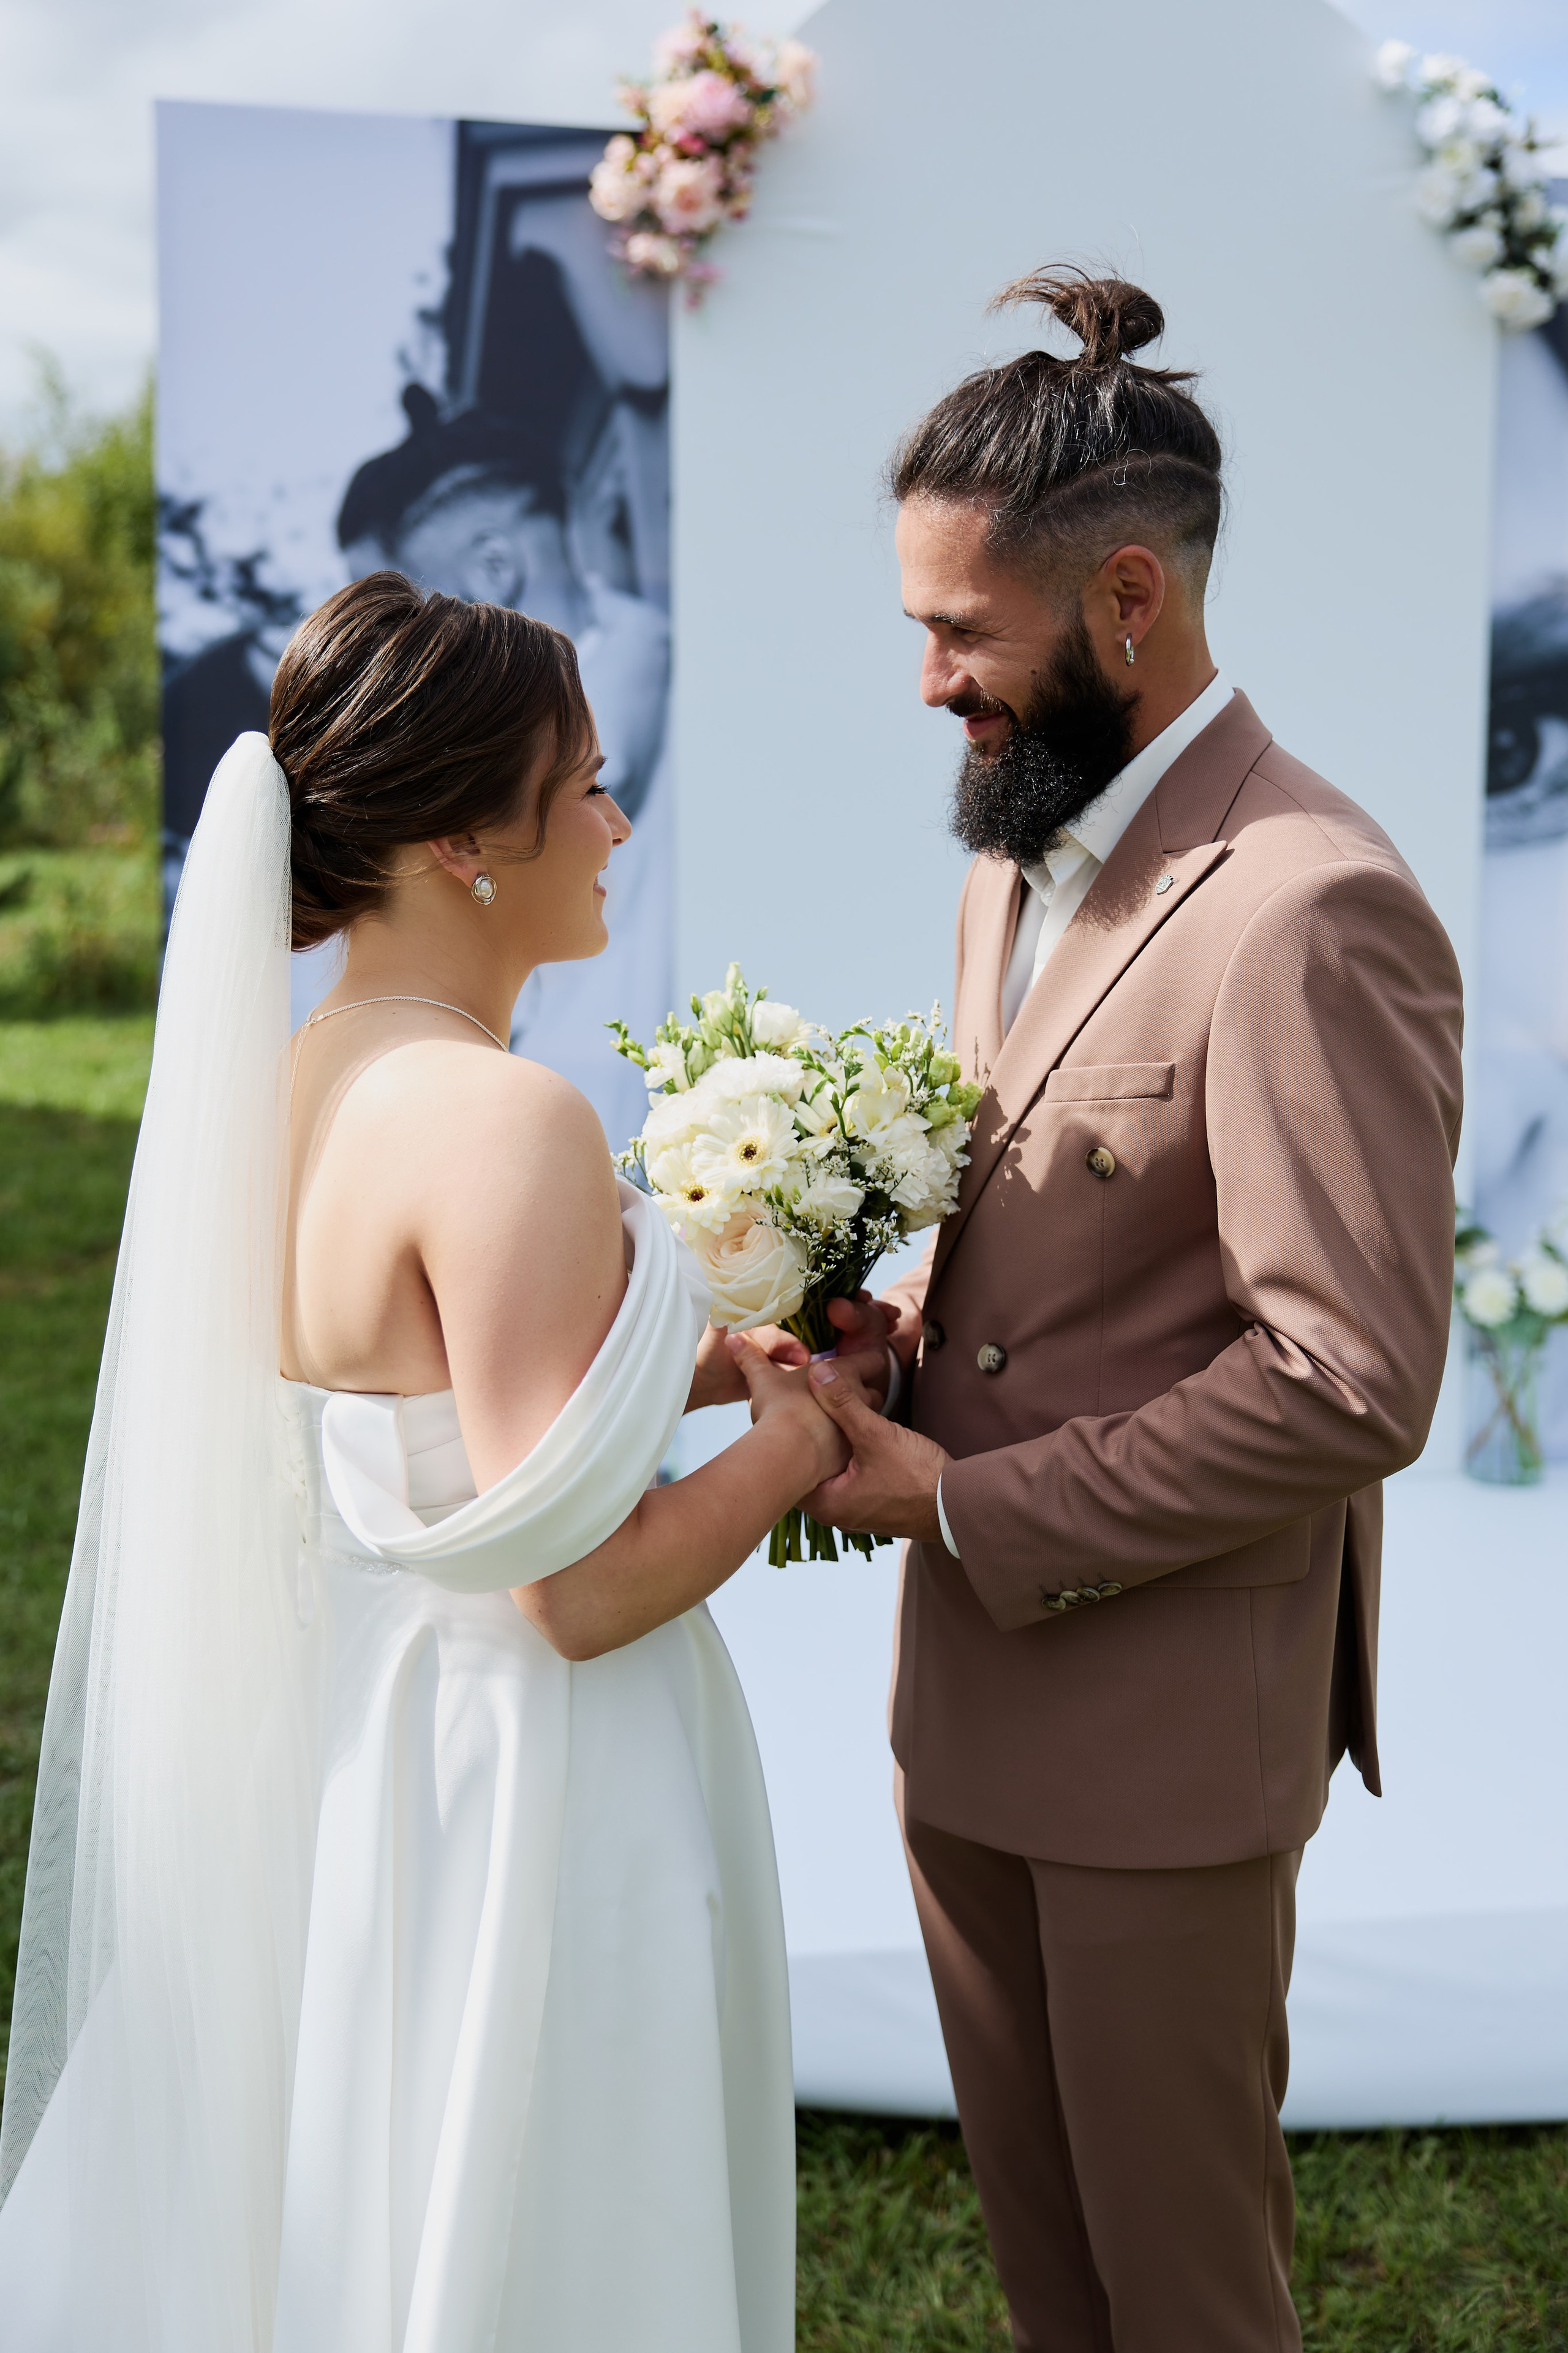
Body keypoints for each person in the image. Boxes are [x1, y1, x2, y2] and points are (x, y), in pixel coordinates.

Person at [0, 572, 838, 2351]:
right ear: (466, 833)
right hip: (524, 1788)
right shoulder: (503, 1116)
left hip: (356, 1742)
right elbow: (573, 1591)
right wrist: (802, 1439)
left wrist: (685, 1371)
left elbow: (426, 1426)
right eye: (590, 784)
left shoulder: (299, 1074)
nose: (617, 823)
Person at [805, 271, 1464, 2353]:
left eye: (957, 635)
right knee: (1047, 2284)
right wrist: (889, 1340)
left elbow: (1351, 1378)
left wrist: (967, 1506)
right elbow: (1062, 1249)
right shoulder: (1017, 854)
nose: (925, 681)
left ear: (1126, 602)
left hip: (1169, 1738)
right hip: (965, 1716)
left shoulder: (1312, 903)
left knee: (1184, 2300)